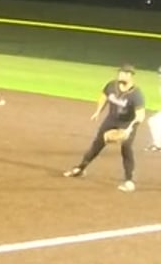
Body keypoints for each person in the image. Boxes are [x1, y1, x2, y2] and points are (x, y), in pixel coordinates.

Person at [63, 64, 146, 192]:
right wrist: (98, 111)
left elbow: (140, 115)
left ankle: (129, 181)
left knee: (126, 148)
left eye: (123, 73)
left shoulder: (136, 94)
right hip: (111, 120)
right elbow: (104, 96)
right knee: (97, 144)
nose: (120, 75)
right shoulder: (112, 85)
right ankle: (80, 168)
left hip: (127, 123)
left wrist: (129, 129)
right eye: (120, 73)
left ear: (130, 76)